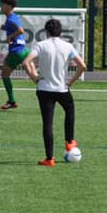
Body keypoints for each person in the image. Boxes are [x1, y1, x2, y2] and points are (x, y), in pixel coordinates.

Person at [23, 18, 87, 167]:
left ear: (46, 32)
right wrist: (71, 81)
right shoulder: (67, 46)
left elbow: (26, 62)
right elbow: (82, 66)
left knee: (48, 123)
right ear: (60, 32)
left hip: (44, 88)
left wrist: (34, 77)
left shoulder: (41, 45)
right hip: (62, 88)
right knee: (70, 110)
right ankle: (69, 142)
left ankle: (49, 158)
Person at [0, 0, 29, 110]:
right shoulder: (13, 17)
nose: (1, 7)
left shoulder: (11, 18)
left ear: (9, 6)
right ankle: (52, 92)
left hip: (16, 51)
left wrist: (10, 36)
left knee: (4, 75)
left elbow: (21, 30)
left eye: (3, 4)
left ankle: (11, 101)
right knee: (34, 76)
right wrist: (5, 28)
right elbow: (16, 28)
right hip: (24, 50)